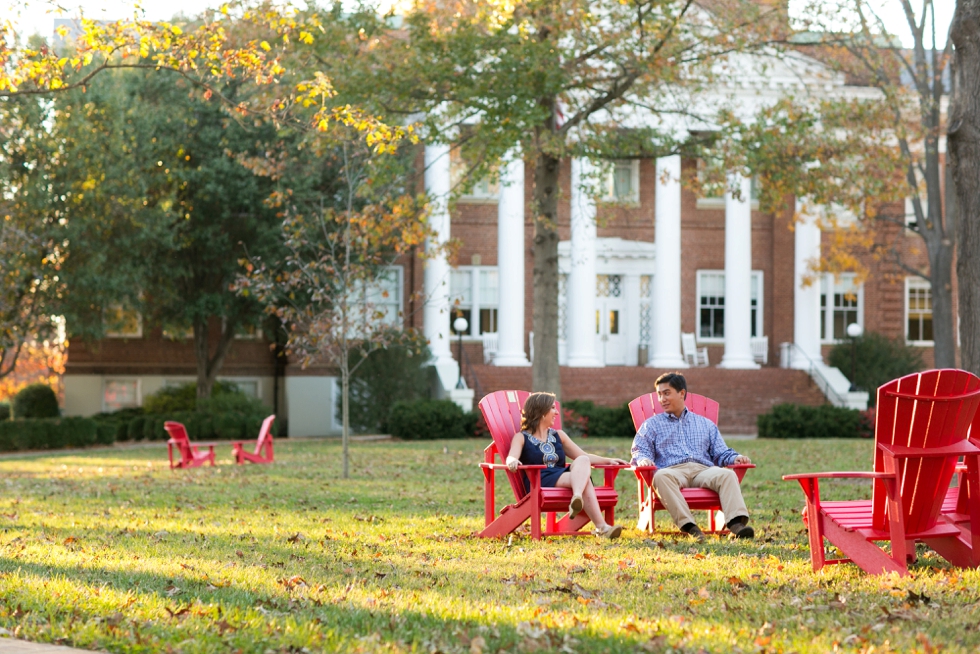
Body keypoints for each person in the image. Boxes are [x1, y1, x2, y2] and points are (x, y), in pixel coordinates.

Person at [630, 372, 754, 542]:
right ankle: (690, 527)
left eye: (667, 393)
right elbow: (640, 449)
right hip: (672, 472)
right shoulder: (651, 425)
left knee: (728, 475)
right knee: (659, 477)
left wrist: (735, 458)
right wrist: (643, 459)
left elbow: (721, 452)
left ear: (682, 393)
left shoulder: (704, 424)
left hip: (702, 470)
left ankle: (736, 524)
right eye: (659, 394)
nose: (662, 399)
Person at [506, 392, 628, 539]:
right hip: (538, 480)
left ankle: (577, 497)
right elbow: (512, 456)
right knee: (585, 480)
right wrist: (512, 462)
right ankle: (601, 527)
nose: (556, 412)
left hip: (563, 476)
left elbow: (584, 456)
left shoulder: (559, 435)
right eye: (552, 408)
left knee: (582, 460)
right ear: (541, 411)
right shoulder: (521, 437)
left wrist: (608, 460)